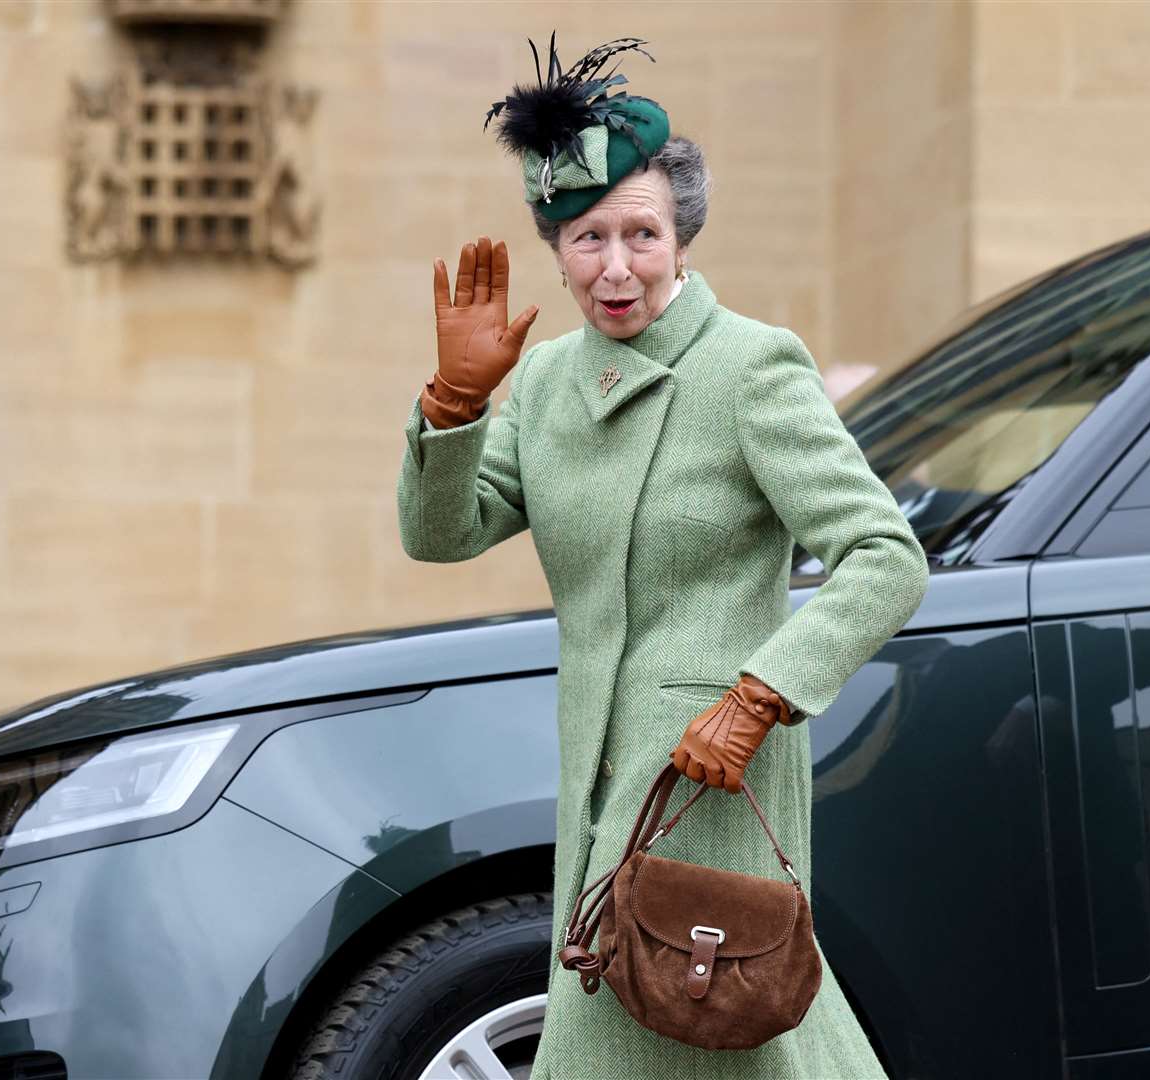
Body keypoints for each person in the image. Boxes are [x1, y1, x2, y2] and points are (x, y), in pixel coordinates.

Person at [395, 34, 928, 1079]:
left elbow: (883, 554)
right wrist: (455, 406)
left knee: (711, 1030)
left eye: (641, 233)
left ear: (681, 235)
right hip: (596, 781)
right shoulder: (546, 384)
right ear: (555, 248)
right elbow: (442, 534)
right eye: (588, 238)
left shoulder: (749, 367)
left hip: (710, 775)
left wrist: (762, 694)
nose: (618, 267)